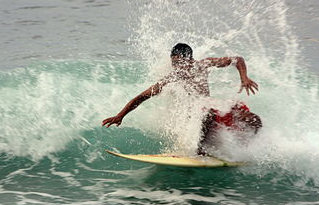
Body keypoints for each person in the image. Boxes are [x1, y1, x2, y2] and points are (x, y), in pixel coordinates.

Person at [102, 43, 262, 155]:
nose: (176, 67)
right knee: (206, 113)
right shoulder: (172, 78)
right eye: (174, 63)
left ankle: (246, 149)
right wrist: (120, 115)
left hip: (211, 107)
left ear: (189, 59)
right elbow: (141, 97)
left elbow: (237, 59)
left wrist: (244, 78)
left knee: (254, 119)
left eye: (179, 63)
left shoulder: (203, 64)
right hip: (196, 115)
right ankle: (200, 152)